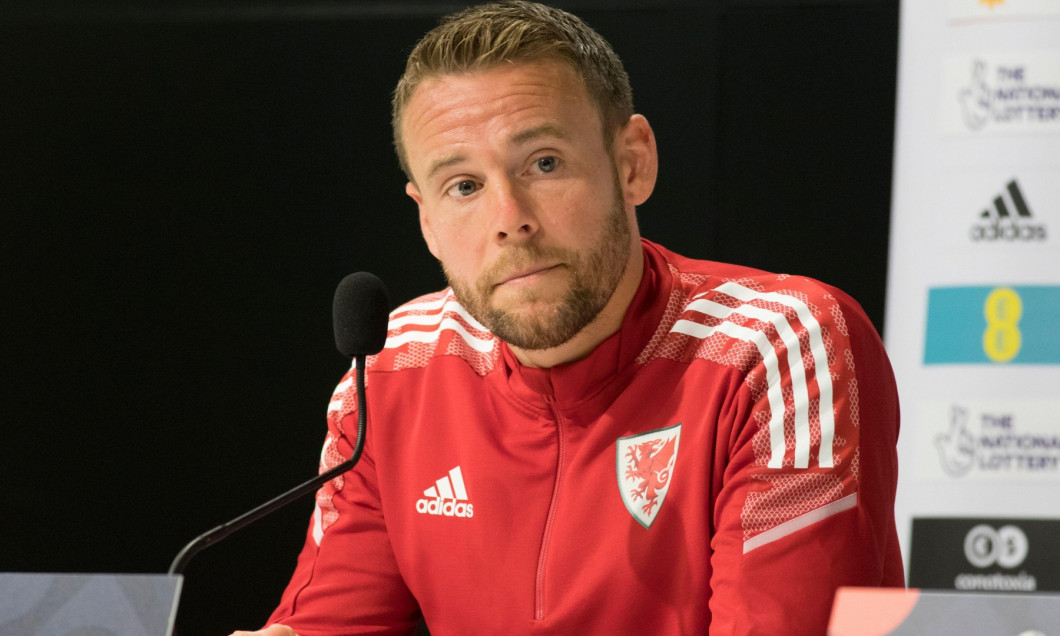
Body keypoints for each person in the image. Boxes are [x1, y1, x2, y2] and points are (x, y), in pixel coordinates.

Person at [232, 2, 903, 634]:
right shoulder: (393, 368)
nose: (509, 220)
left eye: (544, 164)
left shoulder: (777, 346)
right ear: (427, 220)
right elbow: (327, 624)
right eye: (464, 186)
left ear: (632, 163)